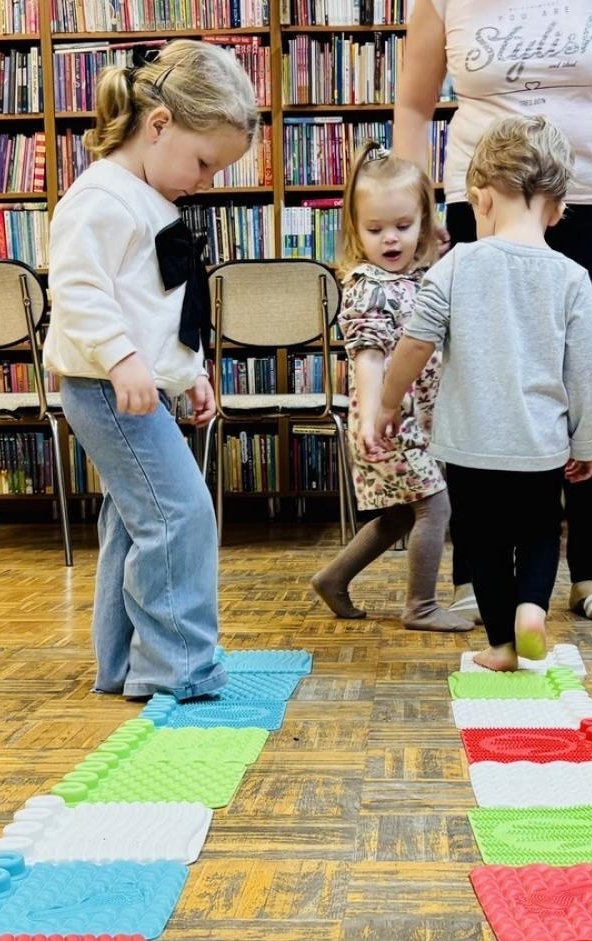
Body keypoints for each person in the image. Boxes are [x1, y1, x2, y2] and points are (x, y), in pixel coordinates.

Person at [394, 0, 592, 625]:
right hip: (482, 204)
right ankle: (474, 574)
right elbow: (413, 108)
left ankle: (587, 572)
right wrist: (422, 213)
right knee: (475, 379)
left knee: (585, 382)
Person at [45, 41, 258, 698]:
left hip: (134, 388)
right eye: (203, 161)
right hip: (107, 388)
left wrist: (185, 371)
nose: (206, 179)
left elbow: (162, 305)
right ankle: (177, 669)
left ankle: (121, 666)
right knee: (181, 515)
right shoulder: (102, 197)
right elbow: (78, 288)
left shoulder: (149, 200)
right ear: (158, 124)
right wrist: (123, 358)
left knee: (134, 524)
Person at [365, 116, 592, 670]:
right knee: (541, 533)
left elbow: (414, 345)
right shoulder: (571, 276)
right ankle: (531, 611)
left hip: (470, 446)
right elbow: (587, 372)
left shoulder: (456, 266)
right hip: (540, 446)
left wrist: (385, 403)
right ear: (559, 207)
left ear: (481, 200)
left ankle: (500, 645)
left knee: (485, 544)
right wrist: (585, 441)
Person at [309, 145, 472, 632]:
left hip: (414, 420)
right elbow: (368, 354)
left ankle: (333, 578)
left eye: (403, 226)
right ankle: (420, 606)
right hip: (389, 418)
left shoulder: (417, 276)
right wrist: (371, 415)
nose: (391, 239)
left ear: (425, 222)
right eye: (375, 230)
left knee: (402, 514)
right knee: (435, 504)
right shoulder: (368, 285)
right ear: (355, 232)